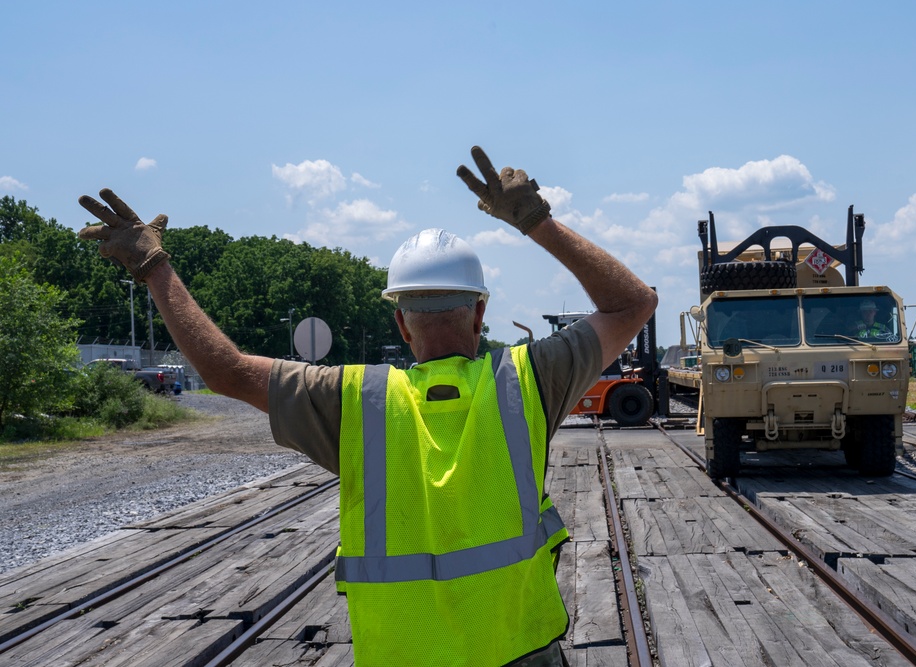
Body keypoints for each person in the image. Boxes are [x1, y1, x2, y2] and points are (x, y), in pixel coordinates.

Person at [77, 146, 657, 667]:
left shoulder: (354, 401)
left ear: (400, 323)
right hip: (521, 651)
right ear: (481, 314)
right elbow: (634, 302)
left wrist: (155, 268)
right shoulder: (529, 380)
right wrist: (536, 221)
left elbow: (224, 371)